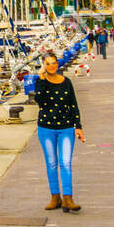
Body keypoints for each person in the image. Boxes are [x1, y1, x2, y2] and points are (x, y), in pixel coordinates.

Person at [34, 51, 84, 212]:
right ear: (43, 65)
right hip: (46, 128)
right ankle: (55, 197)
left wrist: (79, 126)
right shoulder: (40, 82)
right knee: (51, 163)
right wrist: (41, 80)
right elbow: (39, 101)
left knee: (66, 163)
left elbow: (73, 105)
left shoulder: (66, 82)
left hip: (66, 128)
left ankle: (68, 198)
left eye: (53, 62)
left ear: (58, 63)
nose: (52, 66)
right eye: (47, 63)